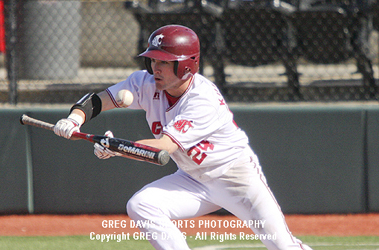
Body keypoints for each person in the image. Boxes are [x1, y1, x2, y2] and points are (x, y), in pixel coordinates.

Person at [53, 24, 313, 250]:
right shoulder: (144, 83)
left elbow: (162, 149)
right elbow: (98, 101)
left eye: (164, 62)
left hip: (236, 179)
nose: (156, 68)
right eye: (153, 60)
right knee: (142, 205)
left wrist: (115, 147)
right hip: (193, 180)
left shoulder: (203, 100)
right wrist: (74, 119)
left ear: (187, 64)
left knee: (281, 245)